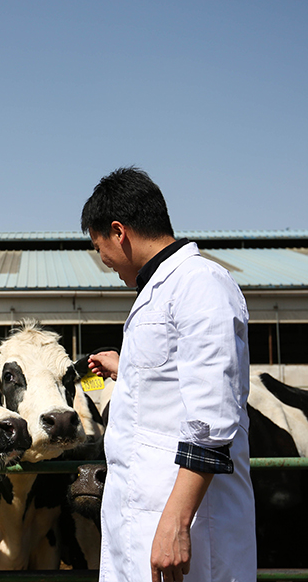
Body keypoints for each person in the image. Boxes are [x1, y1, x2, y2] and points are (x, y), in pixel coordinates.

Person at [81, 167, 255, 582]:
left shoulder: (201, 284)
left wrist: (176, 523)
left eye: (98, 246)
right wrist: (126, 368)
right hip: (143, 524)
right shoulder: (162, 290)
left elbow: (212, 418)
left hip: (188, 531)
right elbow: (179, 382)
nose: (104, 261)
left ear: (118, 232)